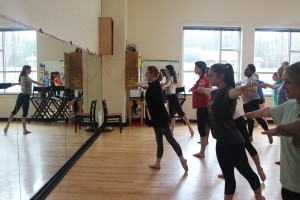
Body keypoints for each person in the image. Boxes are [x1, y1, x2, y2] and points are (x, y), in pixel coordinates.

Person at [199, 63, 264, 200]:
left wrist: (242, 89)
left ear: (221, 76)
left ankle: (260, 197)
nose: (208, 77)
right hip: (220, 141)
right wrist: (201, 88)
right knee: (228, 176)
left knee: (247, 173)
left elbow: (234, 92)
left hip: (233, 142)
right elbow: (209, 91)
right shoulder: (216, 92)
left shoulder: (229, 91)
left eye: (211, 75)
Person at [244, 61, 300, 200]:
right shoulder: (291, 104)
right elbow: (270, 110)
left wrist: (278, 130)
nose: (283, 87)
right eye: (282, 81)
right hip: (289, 183)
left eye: (287, 82)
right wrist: (251, 114)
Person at [137, 66, 188, 172]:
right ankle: (157, 163)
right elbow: (149, 87)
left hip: (160, 118)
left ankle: (182, 159)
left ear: (152, 74)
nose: (145, 75)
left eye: (147, 73)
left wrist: (143, 86)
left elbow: (153, 92)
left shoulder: (155, 86)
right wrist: (143, 85)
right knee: (159, 140)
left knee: (170, 139)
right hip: (156, 117)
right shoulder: (154, 85)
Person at [4, 65, 45, 135]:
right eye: (30, 69)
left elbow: (33, 81)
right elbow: (22, 83)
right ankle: (7, 126)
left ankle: (24, 130)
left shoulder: (27, 77)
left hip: (26, 97)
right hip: (23, 96)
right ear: (26, 70)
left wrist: (41, 84)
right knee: (15, 111)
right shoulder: (23, 77)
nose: (30, 71)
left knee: (25, 113)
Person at [236, 64, 271, 143]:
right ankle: (250, 136)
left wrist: (255, 83)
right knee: (249, 118)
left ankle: (269, 133)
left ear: (252, 71)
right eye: (245, 69)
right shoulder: (244, 79)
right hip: (246, 102)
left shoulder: (253, 78)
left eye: (248, 69)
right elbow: (237, 83)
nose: (245, 70)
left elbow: (255, 82)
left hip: (253, 101)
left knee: (258, 117)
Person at [162, 65, 194, 137]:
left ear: (169, 70)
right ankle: (171, 131)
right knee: (171, 115)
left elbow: (169, 83)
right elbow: (169, 84)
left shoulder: (171, 77)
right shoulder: (169, 77)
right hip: (170, 97)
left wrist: (165, 86)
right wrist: (162, 85)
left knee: (181, 113)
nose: (165, 70)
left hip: (173, 97)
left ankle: (190, 128)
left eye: (166, 69)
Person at [189, 61, 210, 158]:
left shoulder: (204, 78)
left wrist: (199, 87)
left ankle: (202, 152)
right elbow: (200, 84)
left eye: (196, 67)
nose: (194, 69)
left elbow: (202, 84)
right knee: (201, 128)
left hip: (204, 107)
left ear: (201, 69)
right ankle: (202, 152)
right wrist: (195, 87)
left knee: (205, 127)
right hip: (201, 107)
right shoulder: (201, 78)